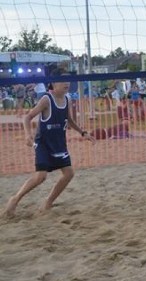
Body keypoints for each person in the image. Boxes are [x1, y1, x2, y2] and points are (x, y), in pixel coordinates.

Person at [5, 81, 96, 217]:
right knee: (40, 177)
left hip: (59, 143)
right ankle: (15, 199)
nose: (67, 84)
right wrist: (28, 135)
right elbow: (27, 118)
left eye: (67, 81)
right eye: (62, 81)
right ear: (53, 83)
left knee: (69, 174)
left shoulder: (67, 99)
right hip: (43, 143)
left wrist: (83, 133)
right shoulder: (46, 99)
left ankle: (48, 202)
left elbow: (69, 120)